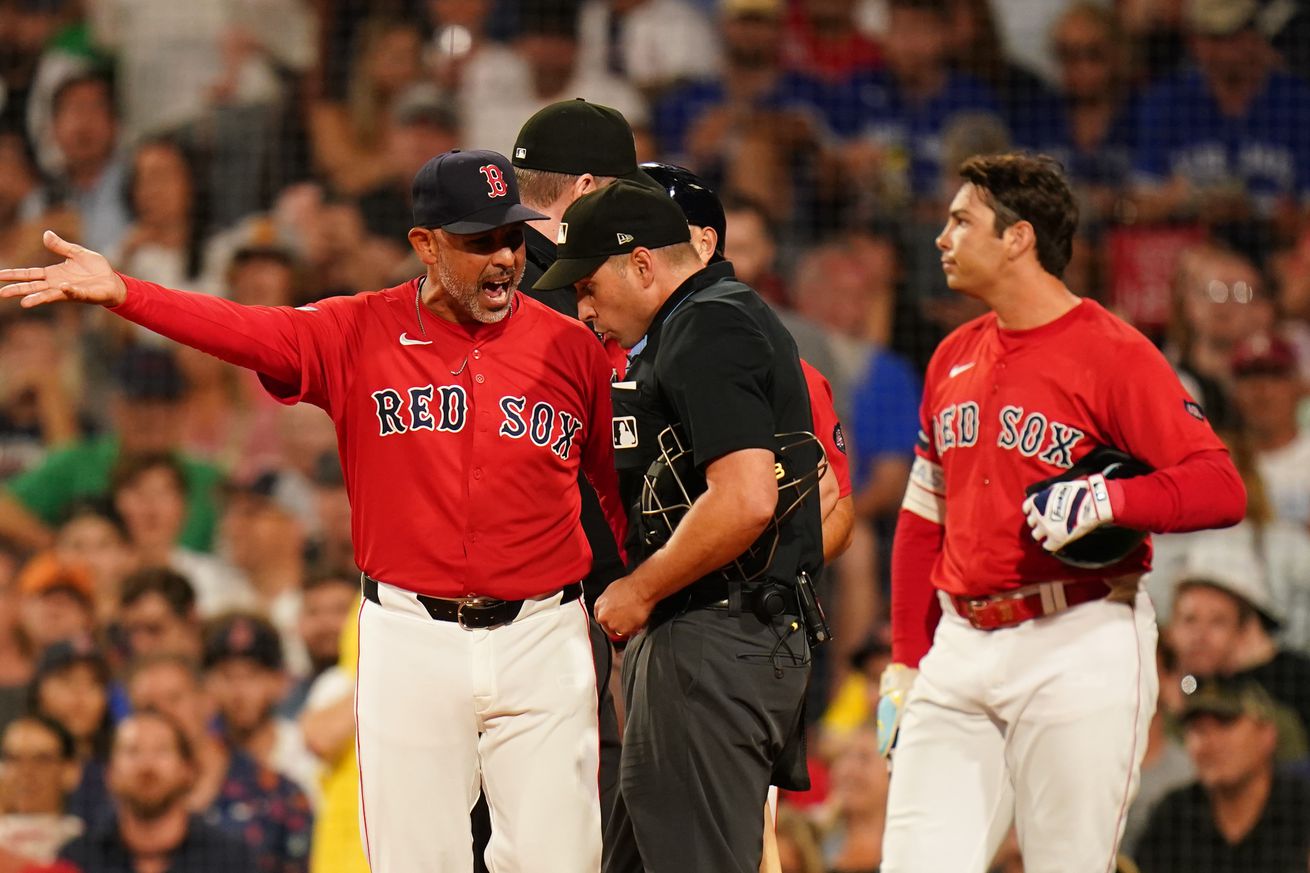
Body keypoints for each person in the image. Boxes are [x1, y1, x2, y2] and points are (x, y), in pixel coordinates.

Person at [0, 147, 625, 873]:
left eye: (511, 236)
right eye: (478, 240)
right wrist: (125, 292)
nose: (505, 258)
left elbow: (612, 489)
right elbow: (238, 328)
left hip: (543, 633)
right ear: (424, 245)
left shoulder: (572, 349)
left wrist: (629, 593)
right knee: (420, 861)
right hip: (411, 636)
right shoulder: (355, 332)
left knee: (565, 860)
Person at [875, 153, 1246, 872]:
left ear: (1018, 238)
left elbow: (1221, 485)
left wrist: (1117, 497)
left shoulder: (1115, 353)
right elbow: (924, 517)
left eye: (960, 221)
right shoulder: (953, 353)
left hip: (1078, 636)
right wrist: (903, 658)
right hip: (960, 644)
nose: (941, 238)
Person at [534, 180, 823, 873]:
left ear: (641, 266)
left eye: (589, 284)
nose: (583, 305)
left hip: (715, 636)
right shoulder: (709, 320)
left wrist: (638, 587)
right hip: (723, 638)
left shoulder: (707, 323)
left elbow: (747, 495)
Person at [1132, 677, 1310, 873]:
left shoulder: (1301, 807)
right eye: (1197, 729)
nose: (1210, 742)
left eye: (1225, 723)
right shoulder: (1174, 815)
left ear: (1266, 734)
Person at [57, 709, 257, 873]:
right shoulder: (77, 859)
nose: (147, 765)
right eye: (132, 751)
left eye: (162, 751)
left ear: (187, 771)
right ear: (110, 774)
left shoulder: (231, 859)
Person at [0, 714, 84, 863]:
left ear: (70, 771)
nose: (25, 772)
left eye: (41, 760)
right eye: (13, 759)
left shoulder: (89, 844)